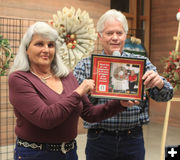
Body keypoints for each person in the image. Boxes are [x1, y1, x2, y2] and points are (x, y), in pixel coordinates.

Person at [8, 22, 134, 160]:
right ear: (26, 48)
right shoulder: (19, 79)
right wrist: (77, 93)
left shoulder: (67, 76)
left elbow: (90, 114)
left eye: (50, 45)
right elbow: (45, 119)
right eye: (39, 44)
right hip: (36, 154)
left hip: (69, 153)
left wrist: (120, 104)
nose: (46, 49)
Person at [73, 9, 173, 160]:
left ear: (126, 36)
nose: (115, 38)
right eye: (109, 33)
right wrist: (86, 92)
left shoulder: (140, 64)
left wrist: (159, 84)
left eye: (119, 33)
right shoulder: (86, 65)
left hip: (132, 139)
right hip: (99, 139)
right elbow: (74, 102)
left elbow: (167, 95)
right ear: (100, 35)